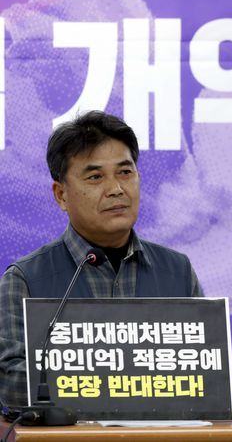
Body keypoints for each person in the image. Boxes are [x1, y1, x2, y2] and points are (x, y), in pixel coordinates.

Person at [0, 111, 203, 407]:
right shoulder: (26, 279)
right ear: (61, 195)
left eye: (125, 172)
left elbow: (207, 373)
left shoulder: (177, 271)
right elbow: (11, 383)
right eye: (95, 177)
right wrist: (120, 380)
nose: (116, 189)